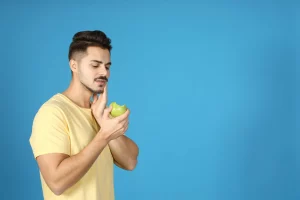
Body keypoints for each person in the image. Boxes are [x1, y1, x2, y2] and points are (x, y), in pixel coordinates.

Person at [29, 30, 139, 200]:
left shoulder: (98, 112)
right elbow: (57, 182)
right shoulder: (52, 113)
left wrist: (105, 124)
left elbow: (131, 161)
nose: (104, 73)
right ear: (74, 66)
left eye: (107, 66)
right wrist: (104, 136)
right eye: (95, 65)